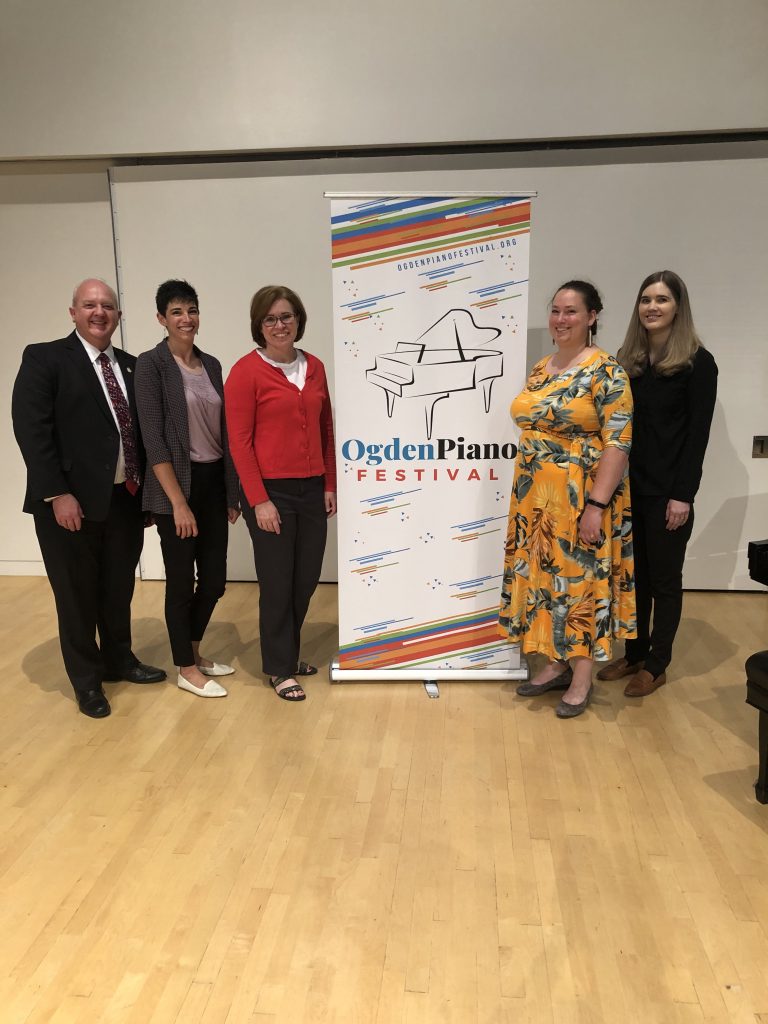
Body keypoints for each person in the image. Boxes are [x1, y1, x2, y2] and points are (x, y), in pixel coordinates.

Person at [12, 279, 166, 718]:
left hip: (124, 500)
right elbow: (32, 431)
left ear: (118, 315)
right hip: (69, 505)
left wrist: (147, 496)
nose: (100, 312)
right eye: (90, 305)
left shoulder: (132, 366)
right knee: (76, 596)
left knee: (117, 589)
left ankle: (120, 660)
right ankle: (87, 681)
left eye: (108, 306)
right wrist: (57, 492)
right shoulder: (44, 358)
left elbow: (142, 435)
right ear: (73, 312)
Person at [498, 280, 636, 718]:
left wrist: (595, 505)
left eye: (572, 311)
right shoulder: (542, 368)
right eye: (556, 310)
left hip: (581, 498)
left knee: (580, 584)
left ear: (592, 317)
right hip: (535, 501)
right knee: (545, 581)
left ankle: (581, 677)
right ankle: (555, 662)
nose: (561, 319)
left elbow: (618, 443)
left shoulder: (607, 370)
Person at [597, 270, 718, 696]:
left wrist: (683, 495)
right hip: (627, 489)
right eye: (646, 299)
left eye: (662, 299)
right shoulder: (627, 360)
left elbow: (697, 435)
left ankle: (656, 663)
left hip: (669, 492)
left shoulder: (698, 363)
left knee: (664, 580)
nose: (652, 307)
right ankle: (633, 654)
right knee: (634, 577)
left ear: (677, 308)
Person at [224, 285, 336, 702]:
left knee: (305, 579)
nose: (279, 325)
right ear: (259, 325)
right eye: (270, 319)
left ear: (298, 320)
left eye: (286, 317)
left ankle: (287, 654)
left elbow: (326, 429)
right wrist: (259, 500)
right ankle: (278, 667)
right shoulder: (245, 372)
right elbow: (239, 442)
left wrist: (329, 483)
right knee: (277, 582)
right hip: (271, 493)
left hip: (311, 489)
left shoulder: (316, 367)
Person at [135, 280, 241, 698]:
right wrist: (178, 503)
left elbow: (226, 434)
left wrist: (231, 490)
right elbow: (153, 440)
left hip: (213, 483)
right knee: (181, 581)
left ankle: (195, 652)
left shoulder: (212, 364)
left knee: (214, 580)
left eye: (192, 310)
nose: (186, 318)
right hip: (174, 486)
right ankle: (185, 667)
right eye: (176, 311)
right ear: (161, 318)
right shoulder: (151, 364)